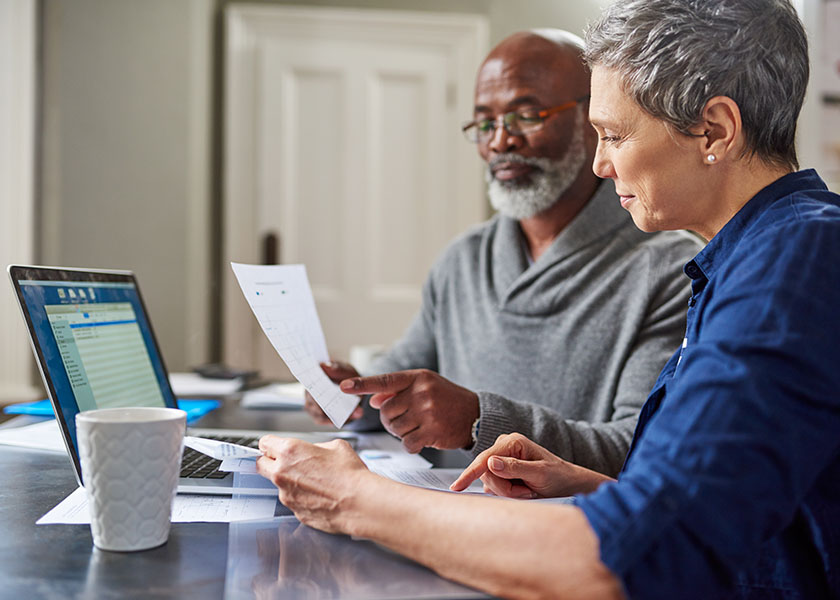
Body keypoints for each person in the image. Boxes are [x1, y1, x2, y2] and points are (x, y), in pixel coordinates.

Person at [257, 0, 840, 597]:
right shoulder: (748, 257)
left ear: (714, 130)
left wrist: (357, 498)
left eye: (614, 135)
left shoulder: (793, 260)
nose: (601, 163)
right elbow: (723, 511)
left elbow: (630, 559)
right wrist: (586, 485)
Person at [305, 29, 701, 476]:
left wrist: (479, 421)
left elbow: (639, 445)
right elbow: (402, 384)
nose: (499, 142)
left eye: (526, 115)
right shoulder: (463, 260)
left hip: (561, 534)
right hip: (439, 515)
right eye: (485, 123)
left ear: (594, 120)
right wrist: (353, 394)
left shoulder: (671, 270)